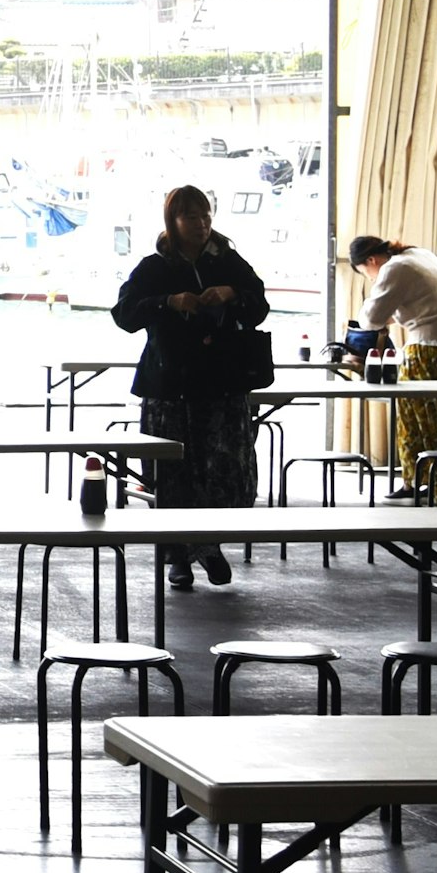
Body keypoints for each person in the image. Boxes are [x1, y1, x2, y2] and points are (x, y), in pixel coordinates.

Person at [110, 185, 271, 592]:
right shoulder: (153, 267)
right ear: (173, 222)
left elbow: (259, 306)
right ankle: (177, 555)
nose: (201, 225)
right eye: (191, 218)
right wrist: (168, 301)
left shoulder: (229, 261)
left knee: (226, 472)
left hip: (223, 385)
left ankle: (210, 543)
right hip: (170, 387)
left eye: (205, 217)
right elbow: (125, 315)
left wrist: (233, 294)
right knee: (172, 474)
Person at [345, 232, 437, 490]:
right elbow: (421, 305)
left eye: (366, 272)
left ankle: (426, 483)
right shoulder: (419, 255)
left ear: (371, 260)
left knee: (420, 422)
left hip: (430, 352)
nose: (370, 278)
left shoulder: (394, 268)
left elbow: (371, 319)